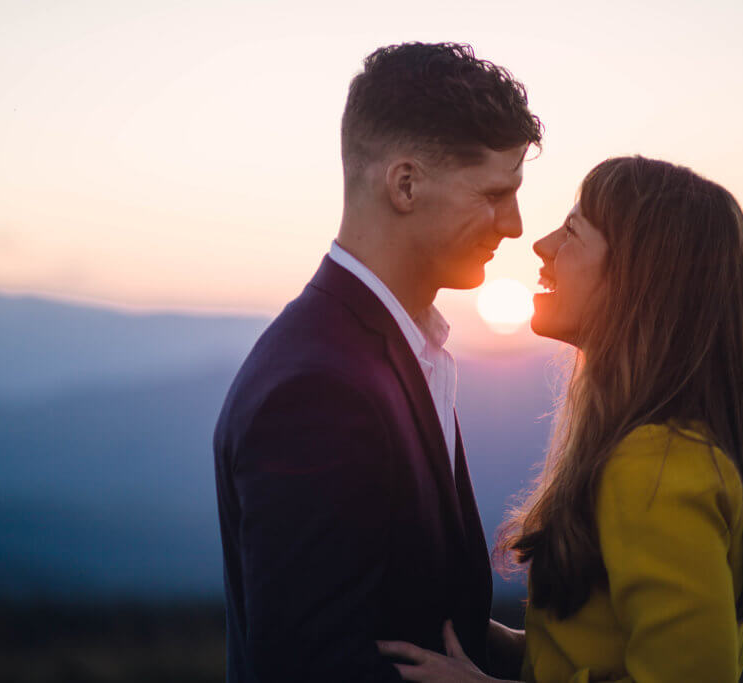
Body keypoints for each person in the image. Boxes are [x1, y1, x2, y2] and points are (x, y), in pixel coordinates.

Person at [377, 156, 743, 682]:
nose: (543, 245)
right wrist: (484, 637)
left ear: (639, 275)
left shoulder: (658, 466)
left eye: (573, 230)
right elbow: (603, 651)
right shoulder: (663, 452)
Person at [213, 42, 543, 682]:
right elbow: (313, 668)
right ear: (406, 184)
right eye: (496, 193)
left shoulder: (401, 352)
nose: (515, 224)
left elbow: (430, 616)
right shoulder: (317, 390)